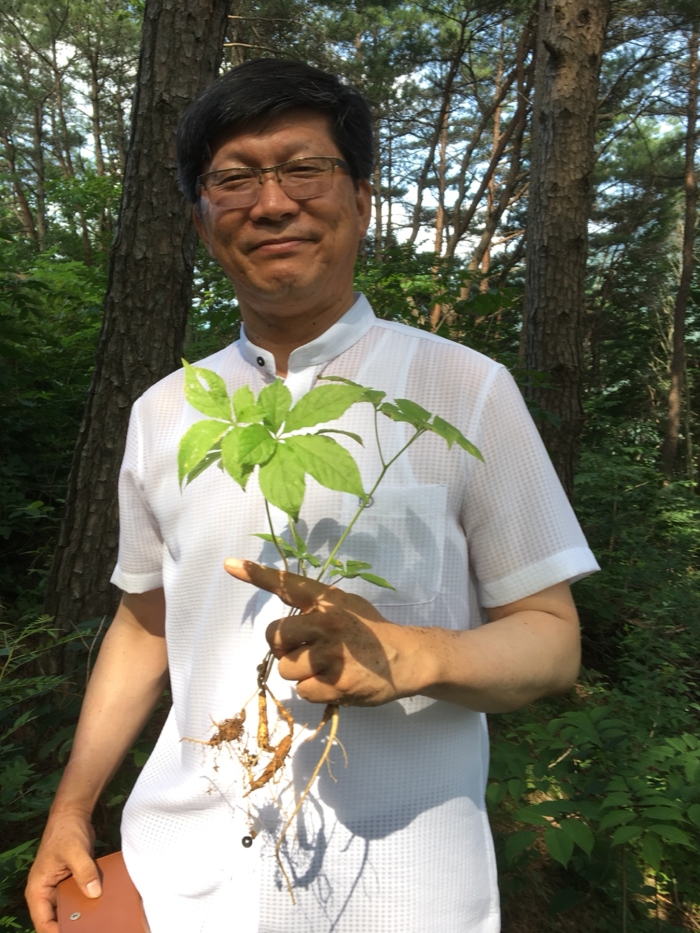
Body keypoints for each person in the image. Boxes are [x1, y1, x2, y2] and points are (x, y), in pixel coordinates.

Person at [26, 58, 599, 933]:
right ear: (200, 216)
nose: (271, 202)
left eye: (304, 168)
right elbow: (144, 623)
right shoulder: (165, 411)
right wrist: (71, 807)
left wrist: (412, 657)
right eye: (233, 179)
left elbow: (552, 645)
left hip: (401, 889)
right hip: (182, 876)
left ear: (363, 198)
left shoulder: (462, 389)